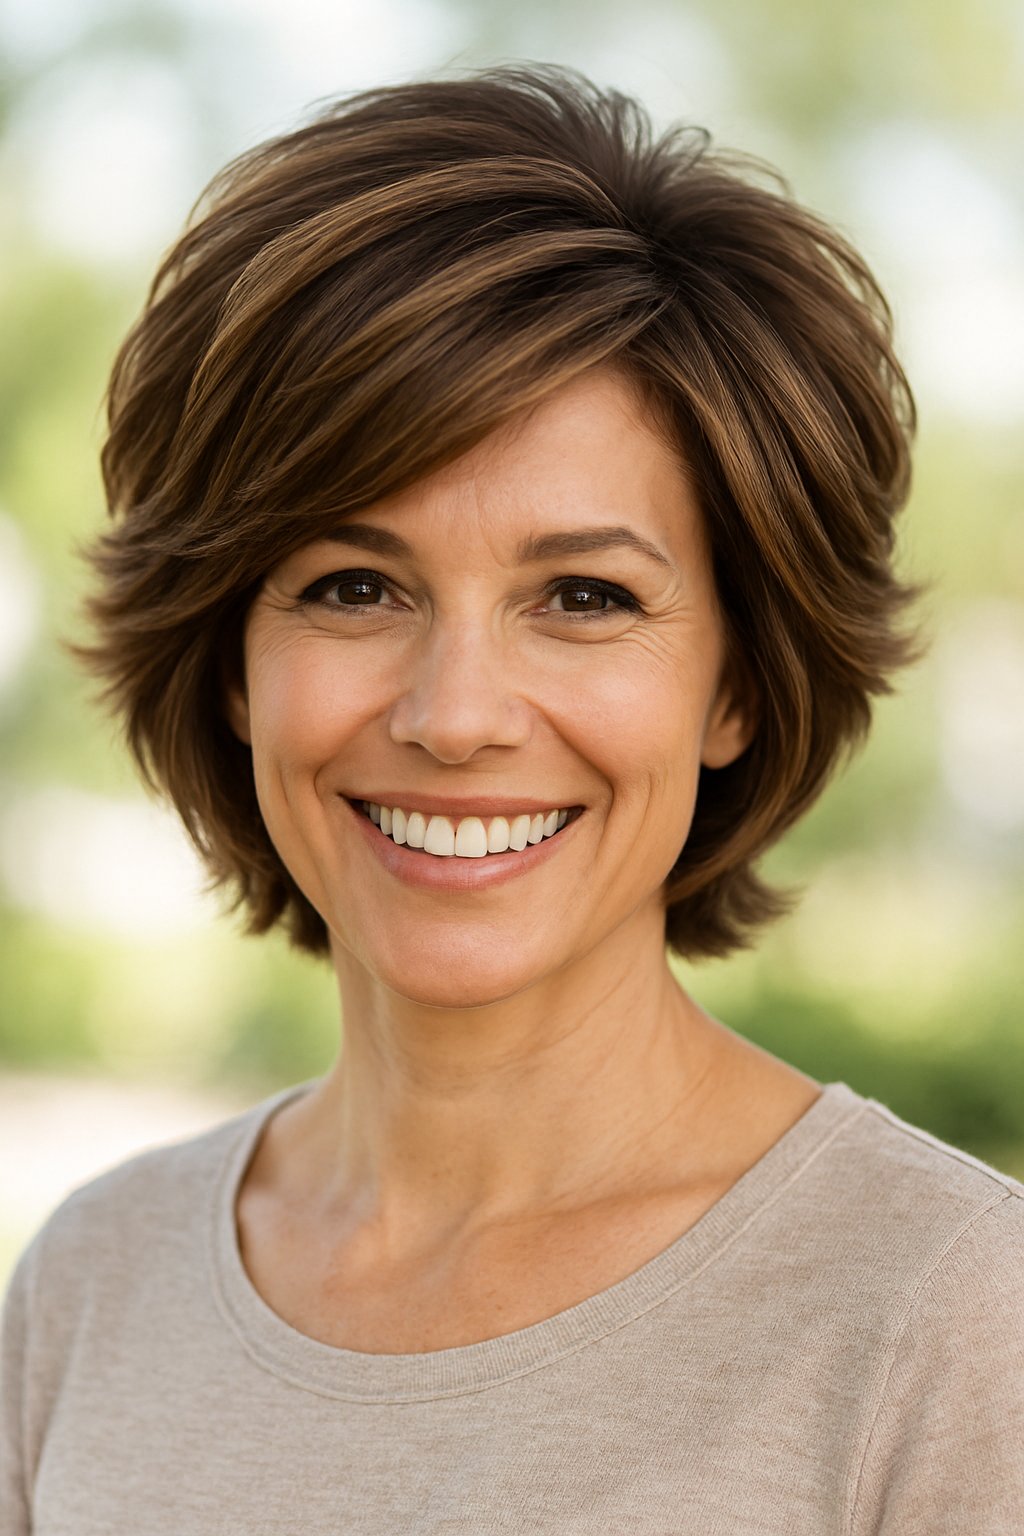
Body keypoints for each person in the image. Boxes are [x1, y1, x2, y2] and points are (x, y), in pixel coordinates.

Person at [1, 62, 1021, 1536]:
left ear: (738, 683)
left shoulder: (952, 1328)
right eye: (354, 586)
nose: (454, 714)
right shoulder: (96, 1285)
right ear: (231, 658)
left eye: (584, 597)